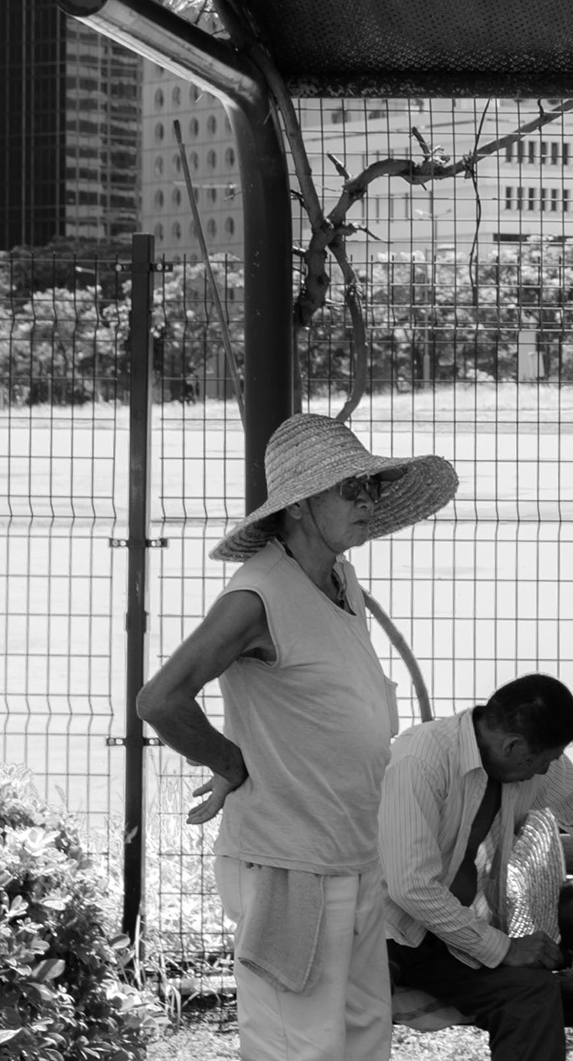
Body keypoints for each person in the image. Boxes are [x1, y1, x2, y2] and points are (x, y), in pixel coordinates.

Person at [137, 413, 459, 1061]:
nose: (368, 501)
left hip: (355, 856)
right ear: (301, 506)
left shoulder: (341, 578)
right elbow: (160, 699)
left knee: (365, 1038)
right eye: (352, 489)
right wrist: (234, 764)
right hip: (291, 870)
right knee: (298, 1048)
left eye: (371, 485)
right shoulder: (256, 595)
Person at [376, 673, 573, 1061]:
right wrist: (504, 947)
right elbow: (411, 888)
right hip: (383, 935)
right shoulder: (420, 758)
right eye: (541, 762)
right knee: (357, 1003)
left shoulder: (530, 760)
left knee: (530, 993)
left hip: (452, 942)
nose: (544, 773)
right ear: (513, 745)